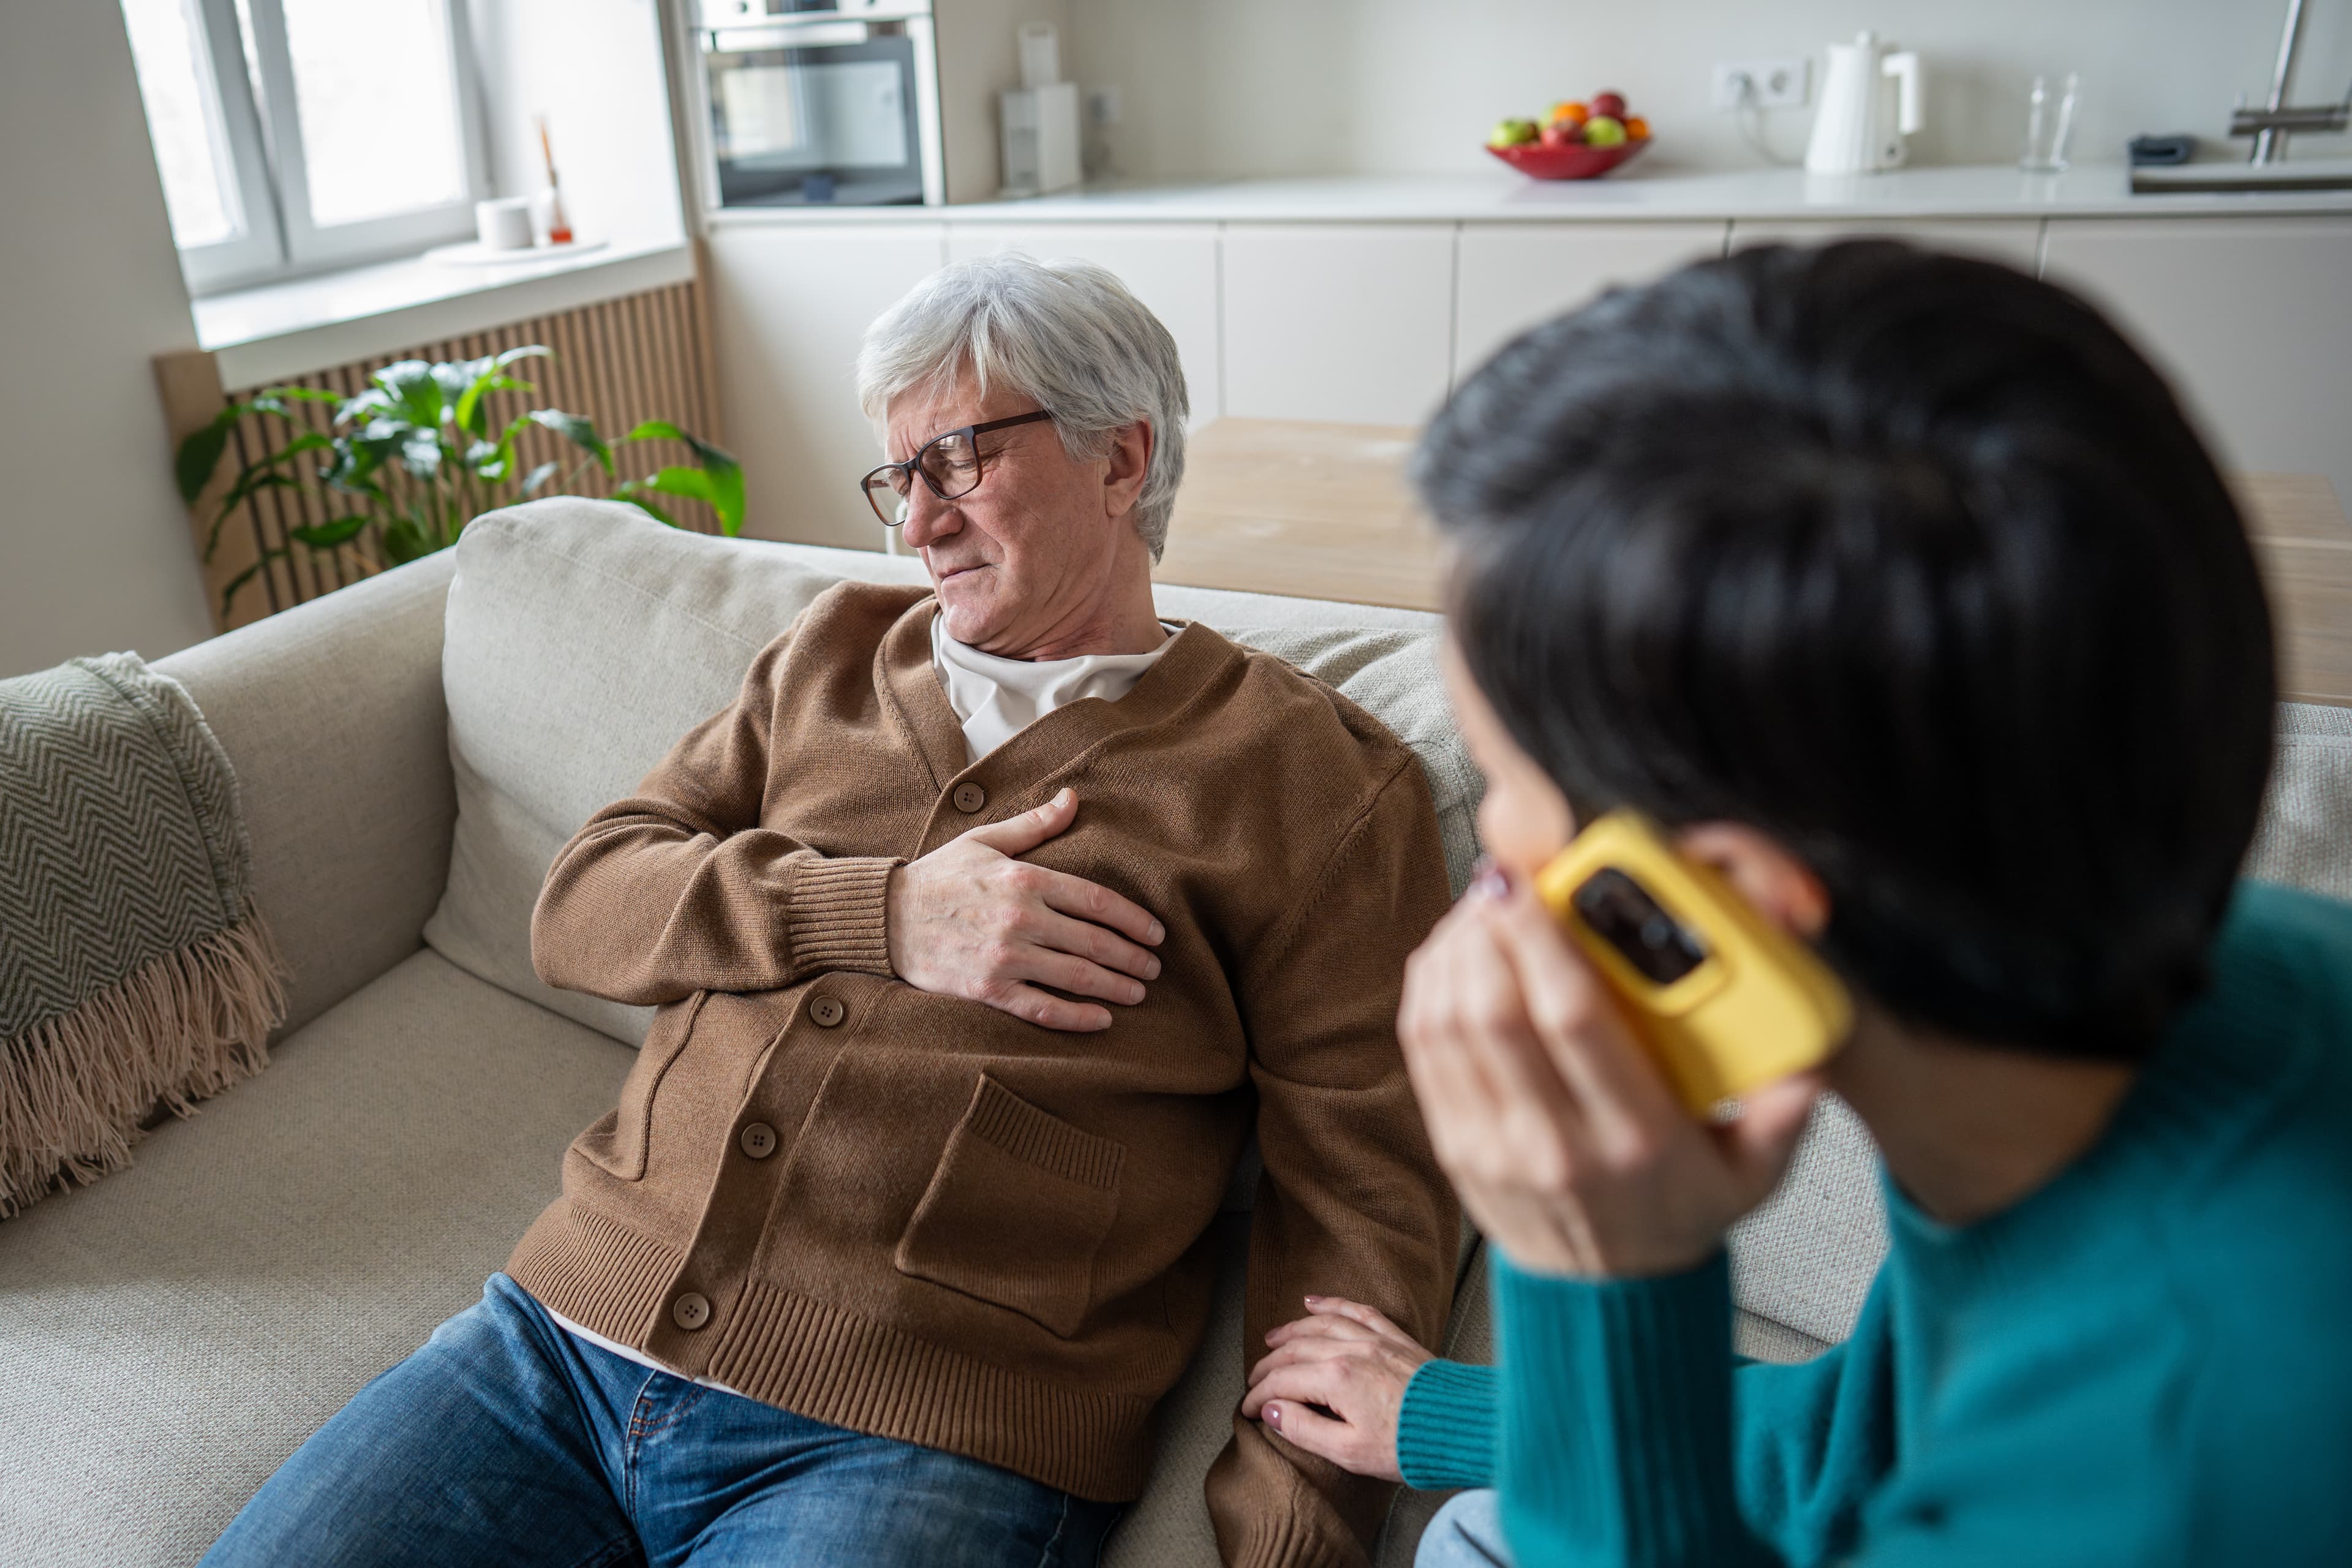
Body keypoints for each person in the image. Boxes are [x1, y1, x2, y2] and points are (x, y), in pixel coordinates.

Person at [204, 253, 1460, 1568]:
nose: (917, 523)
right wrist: (885, 912)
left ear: (1120, 457)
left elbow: (1366, 1188)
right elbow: (584, 902)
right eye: (895, 476)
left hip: (927, 1431)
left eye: (958, 460)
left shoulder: (1312, 778)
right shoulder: (833, 654)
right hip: (560, 1344)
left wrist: (1290, 1541)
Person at [1239, 241, 2352, 1566]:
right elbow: (1883, 1437)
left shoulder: (2174, 1479)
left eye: (1509, 791)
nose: (1493, 861)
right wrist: (1473, 1409)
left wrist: (1600, 1277)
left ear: (1722, 913)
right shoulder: (2211, 982)